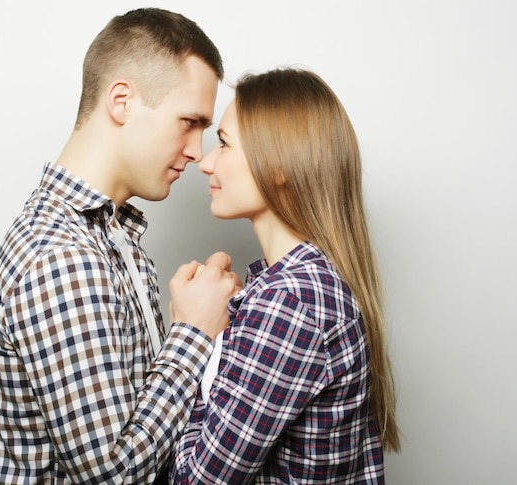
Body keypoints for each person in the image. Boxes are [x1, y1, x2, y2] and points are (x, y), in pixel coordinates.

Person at [0, 8, 240, 484]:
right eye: (188, 122)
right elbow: (113, 476)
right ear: (122, 102)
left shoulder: (112, 236)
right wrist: (196, 332)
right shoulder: (60, 256)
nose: (197, 151)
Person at [169, 68, 401, 484]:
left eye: (223, 144)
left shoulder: (289, 303)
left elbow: (196, 480)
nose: (205, 162)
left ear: (277, 165)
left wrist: (193, 334)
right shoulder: (303, 287)